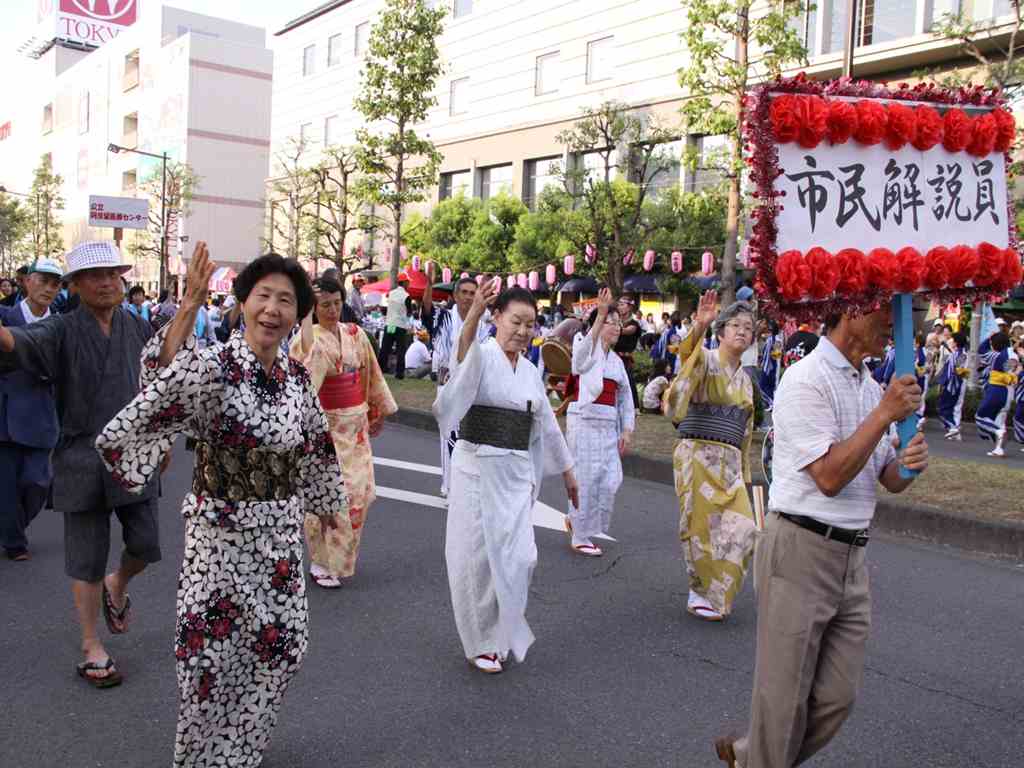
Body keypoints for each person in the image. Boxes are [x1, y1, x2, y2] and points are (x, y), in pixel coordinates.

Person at [97, 247, 346, 766]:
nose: (273, 310)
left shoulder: (297, 380)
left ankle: (241, 745)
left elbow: (316, 444)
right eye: (263, 297)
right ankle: (200, 757)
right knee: (210, 654)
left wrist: (325, 502)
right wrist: (187, 306)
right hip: (220, 532)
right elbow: (163, 376)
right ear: (243, 302)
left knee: (282, 646)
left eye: (285, 300)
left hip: (277, 534)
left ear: (296, 312)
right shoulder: (214, 366)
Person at [715, 303, 929, 768]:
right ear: (853, 310)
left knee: (837, 697)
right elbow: (829, 476)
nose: (894, 323)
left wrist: (909, 464)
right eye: (885, 311)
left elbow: (885, 478)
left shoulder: (871, 386)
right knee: (783, 700)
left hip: (853, 554)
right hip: (799, 548)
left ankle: (754, 756)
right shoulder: (805, 379)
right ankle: (761, 756)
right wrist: (883, 416)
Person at [0, 241, 160, 688]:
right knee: (85, 557)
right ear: (75, 285)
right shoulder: (62, 330)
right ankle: (92, 645)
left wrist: (162, 440)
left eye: (113, 273)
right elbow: (16, 342)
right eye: (94, 275)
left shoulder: (138, 326)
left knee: (146, 544)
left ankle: (119, 582)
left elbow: (156, 388)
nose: (107, 281)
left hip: (135, 453)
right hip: (81, 456)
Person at [433, 282, 578, 674]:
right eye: (516, 321)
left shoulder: (531, 372)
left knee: (520, 558)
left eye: (530, 324)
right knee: (476, 557)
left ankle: (500, 632)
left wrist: (568, 473)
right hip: (476, 468)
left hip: (515, 476)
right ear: (497, 318)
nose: (523, 331)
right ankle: (482, 641)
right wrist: (471, 319)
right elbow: (461, 367)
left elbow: (546, 425)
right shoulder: (480, 356)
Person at [289, 275, 396, 588]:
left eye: (337, 303)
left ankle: (341, 559)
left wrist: (377, 412)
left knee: (359, 495)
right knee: (327, 496)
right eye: (325, 305)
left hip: (356, 426)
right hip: (325, 428)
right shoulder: (306, 338)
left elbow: (370, 375)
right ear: (314, 307)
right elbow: (303, 381)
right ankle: (321, 561)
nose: (333, 310)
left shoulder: (356, 334)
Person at [664, 291, 756, 622]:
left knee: (744, 527)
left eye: (749, 328)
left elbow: (745, 432)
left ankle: (717, 589)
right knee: (700, 525)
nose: (743, 332)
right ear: (720, 332)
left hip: (730, 460)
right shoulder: (706, 358)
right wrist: (699, 326)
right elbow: (688, 360)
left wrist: (745, 473)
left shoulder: (747, 382)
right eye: (736, 325)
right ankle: (699, 591)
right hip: (697, 453)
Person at [0, 258, 63, 560]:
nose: (49, 288)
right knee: (7, 484)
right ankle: (14, 541)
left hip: (42, 415)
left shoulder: (62, 325)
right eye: (43, 280)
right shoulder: (5, 316)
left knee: (38, 483)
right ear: (26, 281)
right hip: (6, 413)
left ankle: (10, 526)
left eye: (55, 283)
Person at [564, 288, 634, 556]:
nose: (617, 327)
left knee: (609, 479)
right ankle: (580, 535)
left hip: (607, 426)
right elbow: (579, 361)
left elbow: (626, 398)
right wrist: (601, 312)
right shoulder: (584, 343)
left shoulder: (616, 362)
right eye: (611, 322)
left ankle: (577, 522)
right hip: (584, 421)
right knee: (585, 478)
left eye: (619, 323)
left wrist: (626, 429)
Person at [424, 274, 492, 498]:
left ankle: (463, 486)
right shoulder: (442, 317)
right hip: (447, 382)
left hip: (471, 385)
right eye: (464, 292)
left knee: (467, 439)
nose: (468, 297)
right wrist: (429, 281)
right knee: (448, 437)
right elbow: (425, 308)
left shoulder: (483, 325)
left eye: (473, 293)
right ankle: (449, 486)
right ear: (454, 295)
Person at [975, 331, 1016, 457]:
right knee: (1000, 420)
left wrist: (989, 337)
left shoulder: (1000, 355)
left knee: (980, 417)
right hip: (1007, 392)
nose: (991, 345)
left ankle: (998, 433)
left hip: (997, 390)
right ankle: (999, 449)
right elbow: (1011, 370)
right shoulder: (1007, 354)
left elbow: (981, 350)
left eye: (993, 343)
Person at [378, 273, 413, 378]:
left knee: (385, 348)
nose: (409, 284)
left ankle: (380, 369)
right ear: (405, 283)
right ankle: (399, 373)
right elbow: (409, 312)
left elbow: (385, 307)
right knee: (400, 349)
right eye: (408, 282)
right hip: (400, 326)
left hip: (390, 324)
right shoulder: (407, 296)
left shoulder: (391, 293)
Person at [937, 332, 970, 440]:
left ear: (956, 342)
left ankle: (953, 427)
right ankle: (955, 432)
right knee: (955, 408)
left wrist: (942, 384)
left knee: (943, 408)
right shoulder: (962, 354)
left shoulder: (960, 354)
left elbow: (955, 370)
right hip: (959, 384)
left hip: (953, 385)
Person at [613, 294, 641, 409]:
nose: (619, 307)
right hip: (614, 357)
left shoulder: (634, 324)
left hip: (626, 359)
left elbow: (626, 331)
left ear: (629, 307)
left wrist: (610, 327)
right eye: (618, 304)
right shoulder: (616, 322)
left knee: (628, 382)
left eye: (622, 304)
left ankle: (634, 407)